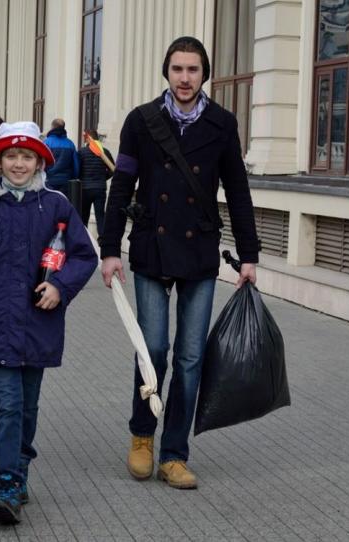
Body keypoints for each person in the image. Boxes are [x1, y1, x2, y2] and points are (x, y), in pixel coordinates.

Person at [99, 36, 260, 490]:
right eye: (177, 69)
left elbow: (239, 192)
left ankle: (174, 453)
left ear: (203, 74)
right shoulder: (141, 121)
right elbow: (122, 187)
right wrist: (110, 249)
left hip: (200, 252)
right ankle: (142, 435)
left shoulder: (222, 124)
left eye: (193, 70)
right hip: (152, 248)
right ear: (166, 73)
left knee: (190, 358)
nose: (185, 78)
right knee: (153, 350)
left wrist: (249, 255)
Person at [0, 121, 97, 525]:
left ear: (39, 161)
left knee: (28, 407)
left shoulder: (57, 205)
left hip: (39, 322)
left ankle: (20, 469)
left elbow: (84, 255)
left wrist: (60, 287)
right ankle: (7, 484)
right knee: (8, 406)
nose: (18, 163)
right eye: (10, 155)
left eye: (26, 156)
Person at [78, 130, 114, 237]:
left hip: (85, 188)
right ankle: (103, 241)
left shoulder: (82, 152)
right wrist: (103, 178)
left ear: (87, 138)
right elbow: (113, 169)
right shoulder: (105, 152)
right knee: (100, 216)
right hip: (100, 188)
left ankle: (84, 239)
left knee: (84, 216)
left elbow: (77, 169)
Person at [42, 118, 80, 197]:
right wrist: (74, 177)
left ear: (52, 127)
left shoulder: (46, 142)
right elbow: (76, 164)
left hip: (49, 180)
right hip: (65, 181)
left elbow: (42, 162)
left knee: (49, 205)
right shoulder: (70, 143)